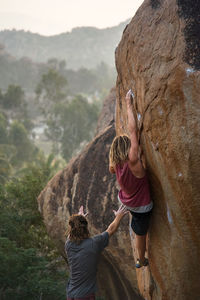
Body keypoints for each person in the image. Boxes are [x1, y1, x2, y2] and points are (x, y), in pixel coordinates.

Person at [109, 89, 153, 269]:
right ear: (128, 148)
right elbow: (133, 130)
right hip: (142, 206)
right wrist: (129, 104)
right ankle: (140, 259)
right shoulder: (133, 161)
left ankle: (135, 233)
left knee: (136, 223)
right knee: (141, 234)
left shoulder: (115, 165)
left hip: (127, 202)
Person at [65, 204, 128, 300]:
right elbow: (110, 230)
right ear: (86, 227)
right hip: (85, 295)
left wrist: (79, 218)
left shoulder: (68, 245)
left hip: (70, 295)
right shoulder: (94, 243)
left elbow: (71, 234)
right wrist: (119, 216)